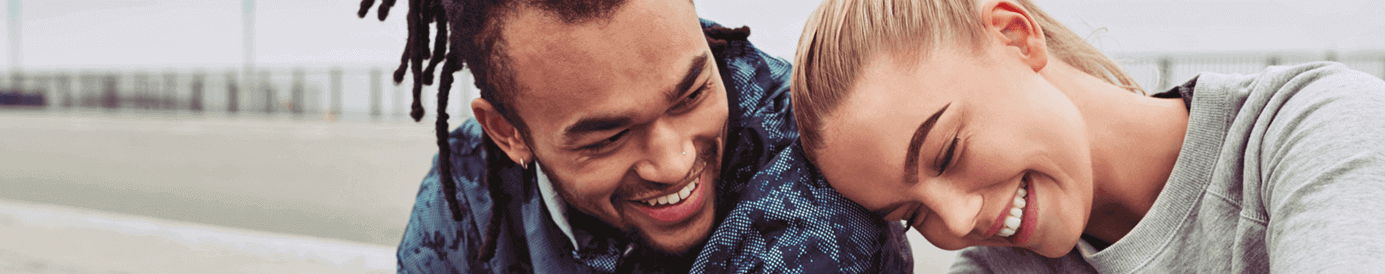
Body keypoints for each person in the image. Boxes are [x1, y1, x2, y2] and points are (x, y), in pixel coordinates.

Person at [789, 0, 1385, 273]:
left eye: (947, 151)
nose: (960, 219)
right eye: (913, 216)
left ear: (1016, 37)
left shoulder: (1310, 132)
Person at [355, 0, 913, 273]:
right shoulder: (466, 201)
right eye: (607, 137)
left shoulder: (817, 161)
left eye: (692, 94)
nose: (673, 163)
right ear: (508, 134)